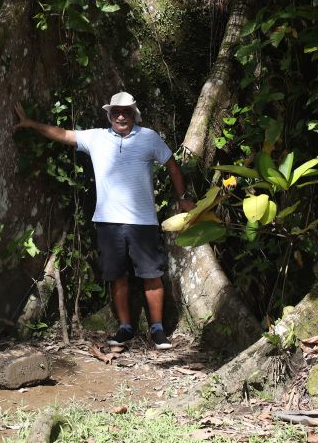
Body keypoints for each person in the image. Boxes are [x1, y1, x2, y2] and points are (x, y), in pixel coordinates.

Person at [13, 92, 195, 349]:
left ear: (134, 114)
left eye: (127, 112)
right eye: (116, 112)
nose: (121, 116)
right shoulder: (96, 138)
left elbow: (172, 165)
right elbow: (63, 134)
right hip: (108, 223)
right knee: (117, 276)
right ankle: (125, 328)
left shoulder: (148, 137)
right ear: (109, 115)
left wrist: (183, 198)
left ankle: (157, 330)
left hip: (143, 222)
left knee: (152, 275)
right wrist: (32, 124)